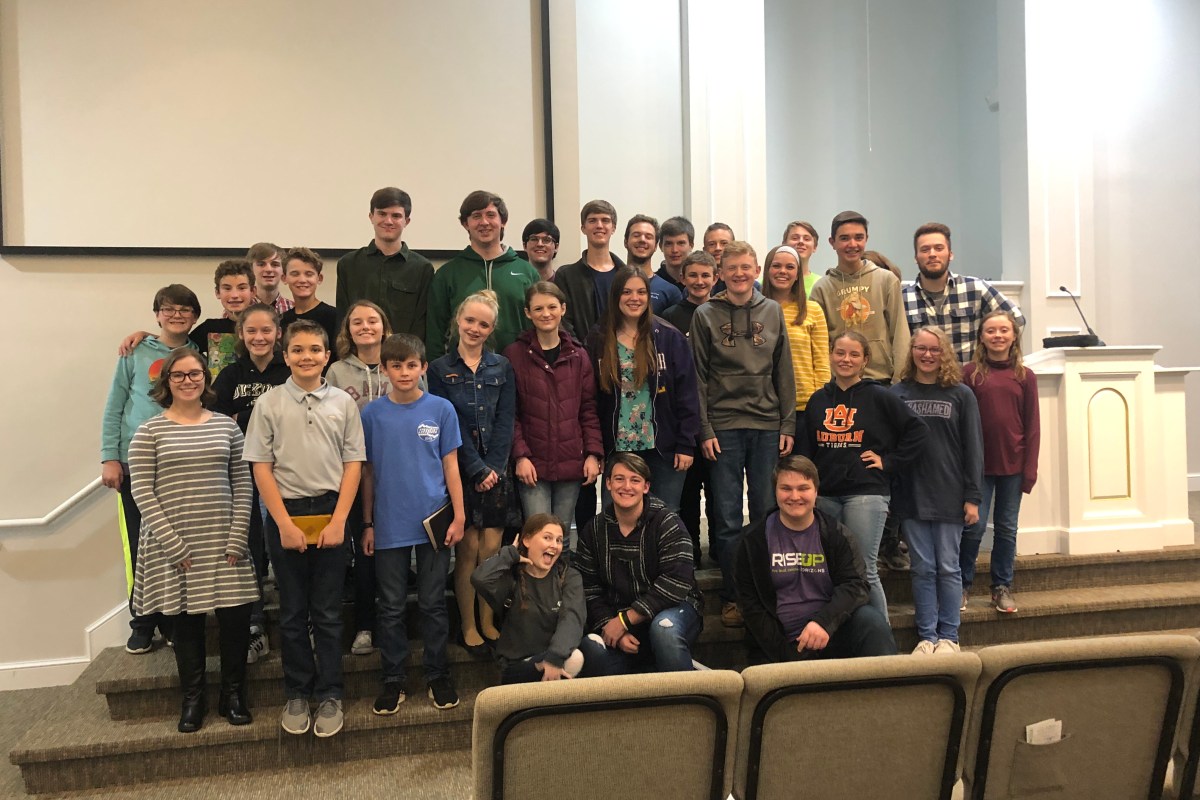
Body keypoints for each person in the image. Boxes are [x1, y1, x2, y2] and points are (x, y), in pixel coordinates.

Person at [243, 320, 366, 738]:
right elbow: (261, 467)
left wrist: (340, 521)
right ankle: (297, 692)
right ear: (286, 355)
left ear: (327, 356)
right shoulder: (269, 404)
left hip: (332, 511)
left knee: (328, 613)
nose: (307, 356)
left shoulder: (343, 404)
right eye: (298, 350)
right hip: (286, 512)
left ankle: (330, 693)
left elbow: (354, 464)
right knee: (293, 612)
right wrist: (282, 523)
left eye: (315, 349)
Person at [128, 348, 258, 732]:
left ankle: (232, 695)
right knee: (186, 625)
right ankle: (193, 699)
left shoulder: (226, 428)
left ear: (205, 378)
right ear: (167, 382)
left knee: (235, 621)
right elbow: (142, 492)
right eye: (179, 375)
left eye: (195, 374)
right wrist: (172, 543)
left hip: (224, 540)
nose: (188, 381)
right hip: (175, 545)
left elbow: (243, 483)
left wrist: (238, 535)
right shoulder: (149, 431)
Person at [690, 241, 795, 628]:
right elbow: (698, 378)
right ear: (721, 273)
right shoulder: (704, 315)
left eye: (746, 267)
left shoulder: (772, 311)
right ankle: (733, 597)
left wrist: (787, 423)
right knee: (727, 517)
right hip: (723, 428)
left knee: (767, 513)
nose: (739, 274)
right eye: (732, 268)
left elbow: (783, 370)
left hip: (767, 425)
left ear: (756, 271)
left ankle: (764, 595)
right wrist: (704, 428)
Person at [361, 333, 466, 714]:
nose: (404, 373)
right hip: (389, 522)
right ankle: (394, 678)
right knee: (390, 606)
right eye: (396, 366)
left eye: (411, 365)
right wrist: (367, 523)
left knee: (433, 602)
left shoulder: (441, 409)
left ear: (423, 367)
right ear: (384, 369)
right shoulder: (371, 415)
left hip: (434, 520)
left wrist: (459, 515)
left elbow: (451, 466)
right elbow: (367, 472)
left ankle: (437, 674)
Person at [797, 331, 928, 619]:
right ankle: (844, 634)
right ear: (831, 355)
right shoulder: (817, 400)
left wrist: (889, 461)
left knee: (864, 569)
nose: (846, 359)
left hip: (866, 494)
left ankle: (881, 640)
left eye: (854, 354)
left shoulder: (880, 396)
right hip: (826, 495)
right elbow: (806, 451)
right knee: (830, 569)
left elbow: (918, 431)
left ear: (865, 360)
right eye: (840, 353)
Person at [101, 284, 202, 655]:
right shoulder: (135, 351)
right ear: (157, 314)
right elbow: (115, 405)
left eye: (184, 309)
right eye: (168, 309)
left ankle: (173, 620)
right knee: (139, 543)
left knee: (175, 542)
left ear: (195, 316)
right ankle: (142, 621)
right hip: (136, 463)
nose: (176, 315)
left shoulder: (201, 351)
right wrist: (109, 456)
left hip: (183, 463)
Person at [734, 455, 897, 663]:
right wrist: (787, 655)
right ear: (775, 491)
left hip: (830, 633)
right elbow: (749, 603)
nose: (795, 496)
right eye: (786, 488)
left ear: (816, 491)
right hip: (776, 644)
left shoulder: (836, 534)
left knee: (871, 621)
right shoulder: (753, 540)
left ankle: (890, 682)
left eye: (803, 488)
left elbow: (856, 585)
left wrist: (823, 623)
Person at [428, 291, 519, 653]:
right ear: (458, 320)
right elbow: (447, 423)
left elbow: (506, 419)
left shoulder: (502, 367)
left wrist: (494, 466)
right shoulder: (438, 369)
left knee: (492, 551)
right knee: (467, 551)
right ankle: (468, 624)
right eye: (470, 320)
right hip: (460, 470)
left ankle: (488, 619)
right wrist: (477, 468)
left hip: (497, 471)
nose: (475, 328)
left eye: (483, 324)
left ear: (491, 328)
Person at [890, 327, 983, 654]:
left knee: (948, 567)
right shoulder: (897, 393)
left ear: (945, 353)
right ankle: (927, 636)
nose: (927, 355)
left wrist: (973, 497)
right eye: (920, 348)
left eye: (934, 349)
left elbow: (974, 449)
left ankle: (949, 637)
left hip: (950, 494)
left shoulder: (961, 394)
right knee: (922, 568)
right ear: (912, 351)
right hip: (912, 495)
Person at [576, 453, 704, 675]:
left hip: (674, 609)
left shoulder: (667, 522)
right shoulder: (593, 530)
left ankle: (683, 695)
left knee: (664, 630)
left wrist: (625, 620)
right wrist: (610, 625)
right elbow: (589, 590)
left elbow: (676, 582)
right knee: (591, 647)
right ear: (608, 484)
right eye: (619, 479)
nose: (626, 487)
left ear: (646, 487)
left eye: (634, 480)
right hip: (618, 617)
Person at [586, 270, 700, 514]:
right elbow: (591, 400)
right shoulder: (598, 338)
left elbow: (688, 395)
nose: (634, 298)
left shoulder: (669, 337)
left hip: (663, 447)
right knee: (616, 515)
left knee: (664, 515)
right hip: (617, 447)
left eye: (641, 292)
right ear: (615, 296)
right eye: (626, 292)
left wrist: (686, 444)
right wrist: (595, 448)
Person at [212, 303, 289, 664]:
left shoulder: (288, 370)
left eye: (266, 330)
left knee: (283, 544)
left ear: (278, 333)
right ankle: (256, 625)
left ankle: (296, 619)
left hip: (286, 471)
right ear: (241, 335)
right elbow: (217, 420)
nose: (259, 337)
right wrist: (262, 412)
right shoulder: (230, 375)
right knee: (250, 546)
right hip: (242, 472)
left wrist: (243, 414)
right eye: (252, 331)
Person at [503, 282, 604, 541]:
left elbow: (588, 410)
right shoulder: (514, 355)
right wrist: (520, 456)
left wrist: (593, 453)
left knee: (561, 538)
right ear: (528, 313)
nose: (546, 313)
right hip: (532, 465)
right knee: (537, 537)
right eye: (538, 308)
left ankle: (561, 572)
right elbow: (509, 413)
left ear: (563, 309)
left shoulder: (579, 356)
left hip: (571, 463)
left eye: (552, 307)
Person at [325, 300, 394, 656]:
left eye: (372, 320)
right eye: (357, 322)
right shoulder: (336, 372)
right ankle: (365, 625)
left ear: (384, 327)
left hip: (395, 472)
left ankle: (394, 624)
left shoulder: (400, 365)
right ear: (348, 331)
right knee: (364, 551)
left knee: (394, 553)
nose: (365, 327)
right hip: (352, 473)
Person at [960, 310, 1040, 615]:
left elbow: (1032, 426)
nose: (997, 336)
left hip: (1013, 467)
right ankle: (961, 584)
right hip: (977, 467)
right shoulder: (969, 374)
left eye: (1004, 330)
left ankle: (1001, 587)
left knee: (1006, 529)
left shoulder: (1025, 376)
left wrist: (1029, 471)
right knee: (974, 528)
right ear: (981, 336)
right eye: (991, 330)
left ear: (1014, 335)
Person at [471, 514, 586, 684]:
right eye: (547, 538)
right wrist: (509, 556)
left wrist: (555, 657)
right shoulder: (512, 577)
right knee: (574, 659)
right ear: (526, 540)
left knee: (594, 647)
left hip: (554, 656)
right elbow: (480, 579)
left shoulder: (568, 576)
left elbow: (572, 618)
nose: (554, 545)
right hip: (518, 666)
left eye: (559, 540)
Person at [426, 190, 539, 360]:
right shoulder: (447, 274)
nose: (484, 222)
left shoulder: (527, 272)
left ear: (503, 221)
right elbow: (435, 334)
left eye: (491, 215)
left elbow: (538, 327)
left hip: (518, 368)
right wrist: (438, 371)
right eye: (476, 216)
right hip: (461, 371)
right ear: (466, 224)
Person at [661, 251, 718, 566]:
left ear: (715, 278)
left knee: (718, 490)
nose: (699, 281)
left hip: (717, 415)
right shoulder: (669, 316)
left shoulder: (722, 312)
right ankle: (690, 550)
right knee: (687, 492)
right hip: (682, 417)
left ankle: (719, 551)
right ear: (682, 278)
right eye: (693, 275)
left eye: (705, 275)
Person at [902, 222, 1025, 365]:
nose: (932, 254)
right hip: (924, 377)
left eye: (939, 248)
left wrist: (994, 362)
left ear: (950, 254)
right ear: (916, 258)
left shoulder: (976, 289)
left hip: (969, 376)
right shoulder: (903, 299)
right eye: (925, 250)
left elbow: (1017, 320)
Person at [809, 211, 910, 384]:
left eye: (859, 237)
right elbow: (818, 344)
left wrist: (900, 381)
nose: (852, 244)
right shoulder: (822, 288)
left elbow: (900, 333)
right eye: (844, 238)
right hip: (839, 383)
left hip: (881, 380)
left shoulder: (886, 280)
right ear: (832, 242)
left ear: (866, 239)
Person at [335, 187, 434, 339]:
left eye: (396, 216)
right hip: (358, 351)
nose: (388, 221)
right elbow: (343, 319)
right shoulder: (348, 265)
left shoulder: (422, 269)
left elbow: (421, 324)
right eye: (382, 214)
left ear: (406, 221)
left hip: (403, 352)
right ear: (371, 217)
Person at [762, 245, 830, 429]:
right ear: (767, 270)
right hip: (765, 407)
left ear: (798, 273)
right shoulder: (755, 310)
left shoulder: (813, 310)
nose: (782, 271)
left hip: (805, 406)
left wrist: (821, 401)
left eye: (790, 267)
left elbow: (822, 363)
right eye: (776, 266)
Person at [552, 200, 625, 339]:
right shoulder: (567, 276)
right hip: (580, 351)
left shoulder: (627, 276)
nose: (599, 225)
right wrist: (579, 351)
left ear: (613, 228)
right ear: (583, 228)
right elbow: (564, 323)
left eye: (605, 220)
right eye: (592, 220)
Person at [280, 247, 338, 358]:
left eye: (309, 274)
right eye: (295, 274)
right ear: (284, 278)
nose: (302, 280)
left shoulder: (334, 317)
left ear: (319, 278)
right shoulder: (282, 320)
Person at [622, 214, 682, 314]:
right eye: (636, 235)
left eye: (648, 237)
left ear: (655, 246)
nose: (642, 240)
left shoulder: (670, 292)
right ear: (625, 242)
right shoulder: (611, 282)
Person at [246, 242, 294, 314]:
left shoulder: (294, 309)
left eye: (275, 264)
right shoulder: (242, 310)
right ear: (251, 269)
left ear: (283, 270)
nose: (268, 269)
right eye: (261, 264)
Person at [655, 216, 695, 293]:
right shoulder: (652, 285)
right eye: (669, 244)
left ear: (691, 245)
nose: (674, 250)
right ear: (660, 246)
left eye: (681, 243)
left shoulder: (700, 283)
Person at [781, 221, 822, 297]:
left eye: (807, 239)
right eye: (795, 238)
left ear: (815, 247)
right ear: (784, 244)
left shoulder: (822, 285)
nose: (801, 241)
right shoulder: (765, 283)